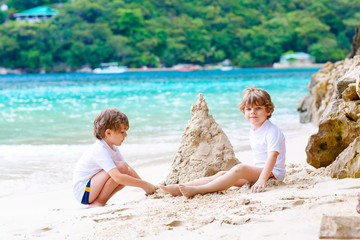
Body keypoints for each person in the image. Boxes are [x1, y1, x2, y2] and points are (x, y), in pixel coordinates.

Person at [160, 87, 286, 198]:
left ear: (268, 111)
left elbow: (272, 156)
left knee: (240, 168)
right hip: (259, 173)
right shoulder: (254, 130)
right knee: (222, 174)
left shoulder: (272, 130)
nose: (253, 112)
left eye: (258, 108)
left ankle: (199, 190)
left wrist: (262, 180)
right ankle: (180, 187)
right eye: (248, 109)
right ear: (243, 112)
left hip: (272, 174)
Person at [73, 108, 157, 207]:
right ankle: (99, 202)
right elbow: (117, 177)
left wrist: (145, 185)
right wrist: (144, 185)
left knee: (126, 170)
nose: (126, 135)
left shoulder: (112, 147)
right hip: (84, 191)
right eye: (122, 132)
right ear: (108, 133)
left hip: (92, 188)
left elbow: (128, 169)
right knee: (121, 170)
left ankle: (101, 201)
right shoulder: (99, 149)